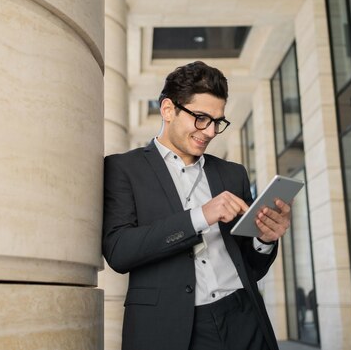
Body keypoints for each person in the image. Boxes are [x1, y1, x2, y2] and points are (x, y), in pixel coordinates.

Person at [102, 61, 292, 350]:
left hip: (244, 316)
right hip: (173, 326)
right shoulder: (124, 168)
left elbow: (251, 266)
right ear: (168, 109)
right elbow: (119, 250)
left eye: (217, 121)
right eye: (201, 118)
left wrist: (264, 240)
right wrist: (199, 217)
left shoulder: (232, 174)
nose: (211, 131)